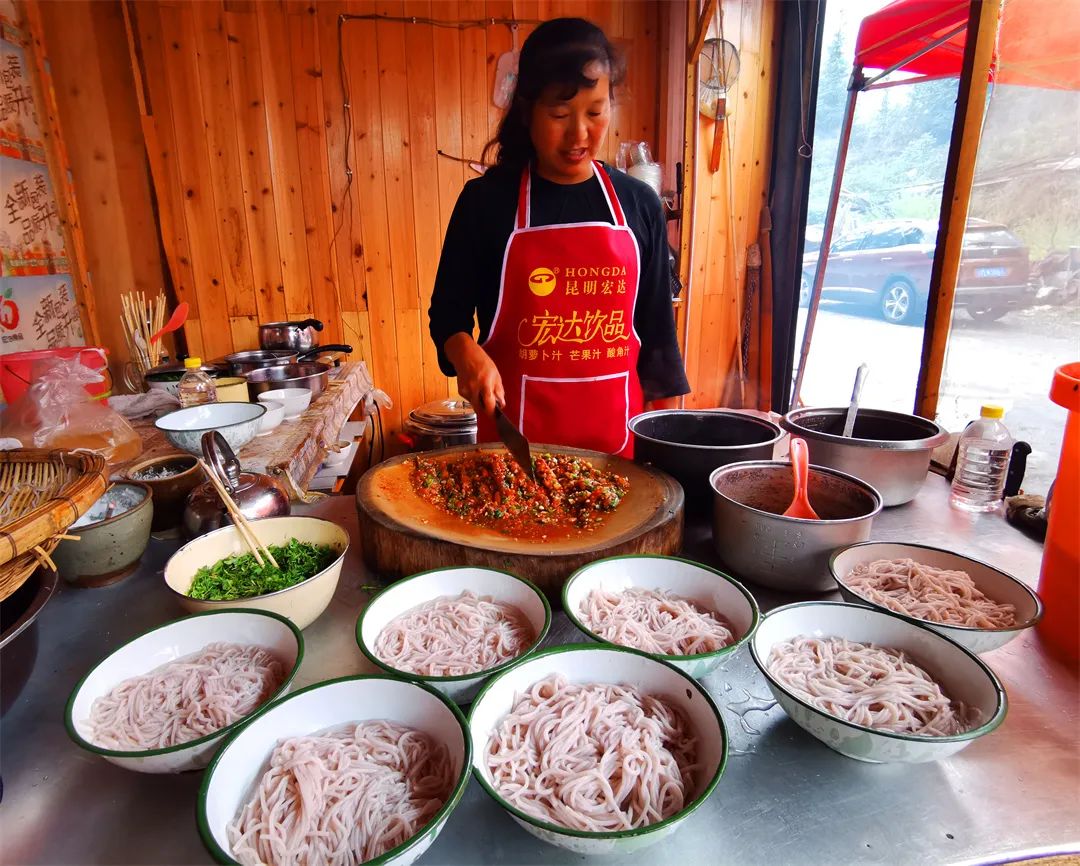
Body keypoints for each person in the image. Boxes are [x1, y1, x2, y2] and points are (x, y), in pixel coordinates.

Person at [428, 17, 689, 457]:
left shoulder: (639, 204)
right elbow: (447, 317)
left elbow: (659, 340)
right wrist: (465, 352)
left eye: (596, 112)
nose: (579, 134)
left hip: (621, 459)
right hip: (513, 458)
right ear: (527, 110)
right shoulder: (486, 202)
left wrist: (669, 453)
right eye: (560, 115)